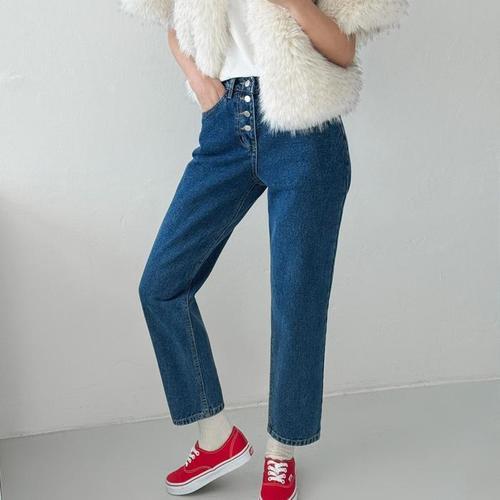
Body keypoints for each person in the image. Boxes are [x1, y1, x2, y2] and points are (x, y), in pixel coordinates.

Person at [122, 0, 408, 497]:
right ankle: (216, 438)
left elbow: (343, 51)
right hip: (226, 127)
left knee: (297, 301)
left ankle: (281, 452)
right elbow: (176, 25)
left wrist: (294, 3)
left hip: (304, 132)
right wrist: (201, 84)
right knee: (161, 285)